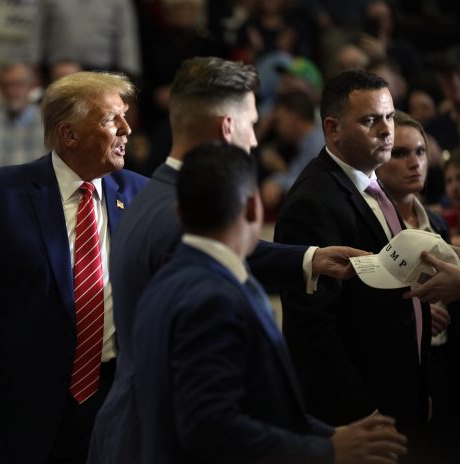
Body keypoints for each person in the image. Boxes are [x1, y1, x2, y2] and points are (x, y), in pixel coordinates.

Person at [88, 56, 368, 464]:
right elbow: (210, 412)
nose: (255, 139)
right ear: (226, 128)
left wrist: (309, 260)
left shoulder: (156, 197)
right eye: (251, 123)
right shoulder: (176, 218)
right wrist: (325, 447)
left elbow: (226, 260)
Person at [133, 140, 407, 464]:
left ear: (180, 212)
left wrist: (329, 435)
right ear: (253, 208)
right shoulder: (212, 299)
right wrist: (327, 450)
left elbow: (256, 406)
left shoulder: (165, 280)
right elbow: (210, 428)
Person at [0, 71, 148, 463]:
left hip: (113, 404)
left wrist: (297, 260)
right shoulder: (0, 195)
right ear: (69, 135)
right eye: (111, 119)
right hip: (18, 411)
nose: (127, 130)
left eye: (125, 116)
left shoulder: (140, 194)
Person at [274, 70, 431, 461]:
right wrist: (361, 413)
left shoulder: (374, 184)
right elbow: (312, 331)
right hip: (362, 419)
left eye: (390, 117)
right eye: (370, 120)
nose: (386, 131)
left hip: (401, 399)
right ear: (333, 129)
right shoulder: (313, 202)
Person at [375, 111, 459, 462]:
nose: (414, 163)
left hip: (447, 370)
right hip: (393, 374)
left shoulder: (436, 222)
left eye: (421, 152)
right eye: (400, 153)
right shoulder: (370, 222)